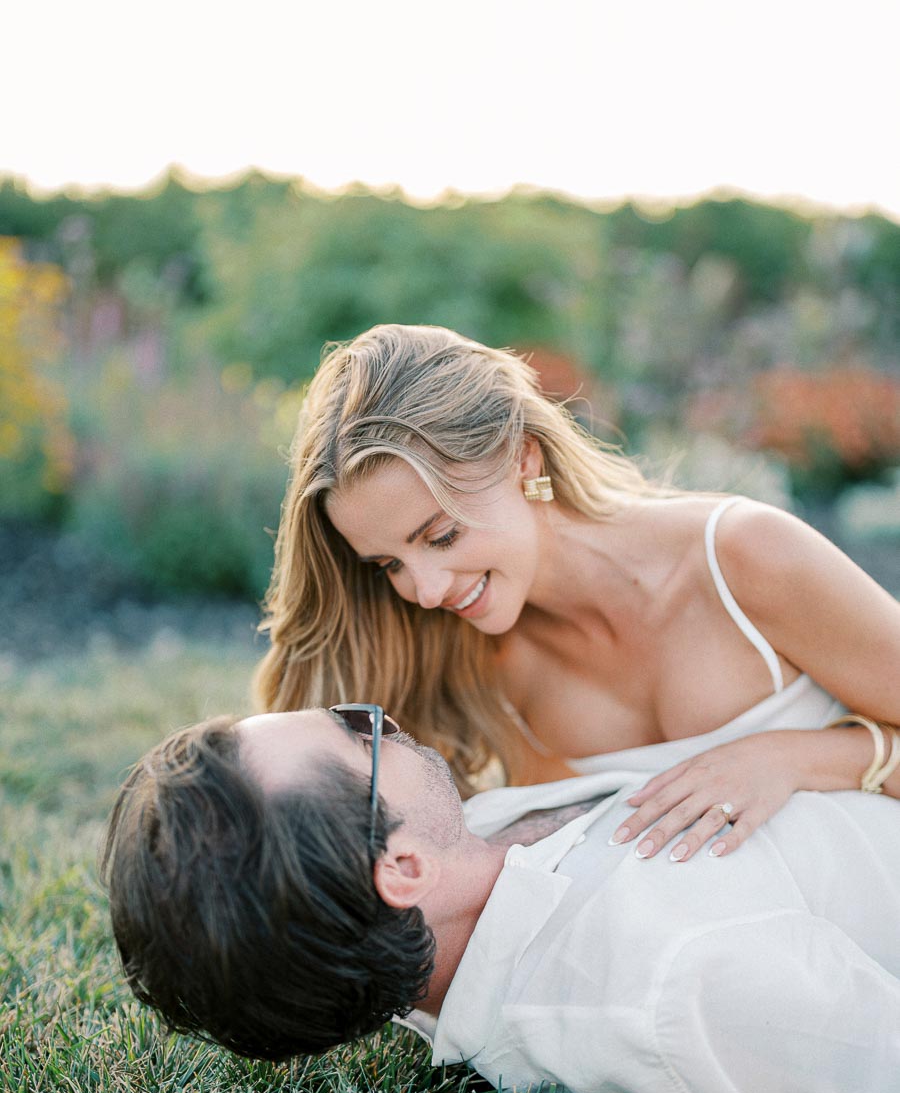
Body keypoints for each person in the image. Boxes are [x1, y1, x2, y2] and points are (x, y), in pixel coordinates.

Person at [103, 704, 900, 1093]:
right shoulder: (670, 989)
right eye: (358, 730)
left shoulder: (467, 858)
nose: (385, 718)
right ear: (403, 870)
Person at [254, 323, 900, 863]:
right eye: (387, 564)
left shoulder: (743, 556)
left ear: (524, 458)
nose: (422, 590)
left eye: (442, 536)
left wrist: (794, 758)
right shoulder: (474, 660)